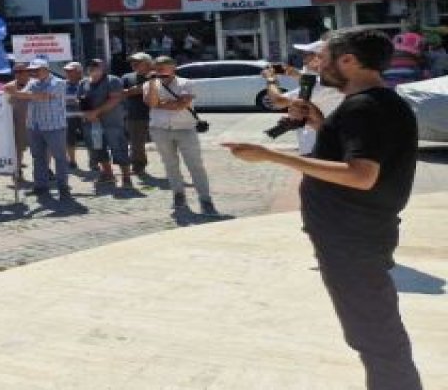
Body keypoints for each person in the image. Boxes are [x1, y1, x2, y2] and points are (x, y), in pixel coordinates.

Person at [224, 29, 422, 389]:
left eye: (324, 58)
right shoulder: (375, 103)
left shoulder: (364, 107)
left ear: (349, 61)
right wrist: (319, 123)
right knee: (372, 330)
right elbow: (357, 155)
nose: (317, 65)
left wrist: (271, 155)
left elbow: (361, 176)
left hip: (353, 237)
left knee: (374, 334)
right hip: (356, 233)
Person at [144, 56, 216, 214]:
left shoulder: (186, 83)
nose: (160, 70)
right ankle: (178, 195)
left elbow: (180, 105)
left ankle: (205, 199)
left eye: (164, 67)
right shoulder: (150, 84)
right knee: (170, 165)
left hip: (185, 129)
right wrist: (152, 84)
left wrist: (161, 104)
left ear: (173, 67)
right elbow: (151, 103)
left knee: (195, 165)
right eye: (157, 67)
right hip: (160, 129)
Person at [263, 39, 345, 156]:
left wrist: (271, 80)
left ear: (319, 58)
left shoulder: (320, 85)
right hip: (325, 144)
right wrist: (295, 74)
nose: (304, 58)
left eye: (307, 55)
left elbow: (278, 101)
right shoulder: (336, 81)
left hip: (316, 146)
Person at [8, 58, 72, 201]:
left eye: (36, 70)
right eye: (31, 70)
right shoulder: (32, 82)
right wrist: (16, 92)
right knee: (38, 158)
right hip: (34, 126)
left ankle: (63, 188)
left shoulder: (59, 82)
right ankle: (40, 186)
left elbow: (42, 96)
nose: (33, 73)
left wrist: (15, 92)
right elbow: (23, 95)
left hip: (54, 126)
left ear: (46, 70)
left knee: (59, 158)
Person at [79, 59, 130, 187]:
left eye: (97, 65)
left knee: (119, 148)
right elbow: (80, 100)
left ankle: (126, 178)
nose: (93, 68)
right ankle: (108, 174)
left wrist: (96, 112)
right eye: (91, 65)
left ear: (104, 67)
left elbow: (114, 99)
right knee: (97, 149)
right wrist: (87, 114)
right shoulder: (83, 82)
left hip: (112, 122)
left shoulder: (113, 80)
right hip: (92, 123)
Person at [120, 53, 154, 175]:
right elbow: (120, 93)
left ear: (148, 63)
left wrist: (133, 90)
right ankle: (138, 166)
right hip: (135, 115)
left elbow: (156, 88)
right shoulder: (126, 77)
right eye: (132, 62)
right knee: (136, 144)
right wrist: (140, 89)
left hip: (158, 115)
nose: (134, 64)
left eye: (138, 62)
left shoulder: (156, 76)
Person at [2, 63, 32, 184]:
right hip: (17, 122)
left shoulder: (35, 85)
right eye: (16, 71)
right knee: (18, 149)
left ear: (28, 72)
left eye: (22, 71)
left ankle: (45, 171)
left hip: (36, 121)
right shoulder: (7, 87)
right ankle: (17, 171)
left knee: (42, 149)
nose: (19, 74)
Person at [62, 62, 85, 171]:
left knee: (91, 138)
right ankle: (72, 161)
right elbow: (58, 99)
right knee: (69, 139)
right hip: (68, 116)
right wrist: (75, 100)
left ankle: (94, 161)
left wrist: (79, 101)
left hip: (85, 115)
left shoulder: (87, 83)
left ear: (79, 72)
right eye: (67, 71)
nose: (68, 73)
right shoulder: (61, 84)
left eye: (71, 71)